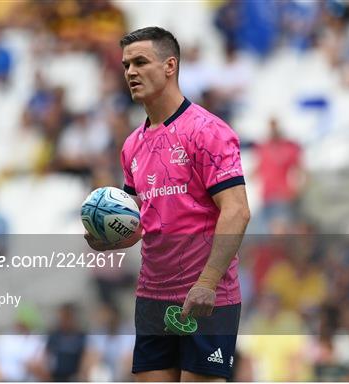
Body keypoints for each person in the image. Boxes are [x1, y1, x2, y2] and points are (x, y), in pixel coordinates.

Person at [85, 27, 251, 381]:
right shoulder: (132, 144)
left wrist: (207, 282)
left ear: (170, 66)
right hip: (153, 296)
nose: (130, 72)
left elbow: (237, 210)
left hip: (206, 295)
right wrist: (111, 237)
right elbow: (140, 222)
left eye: (141, 62)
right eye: (127, 64)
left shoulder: (208, 131)